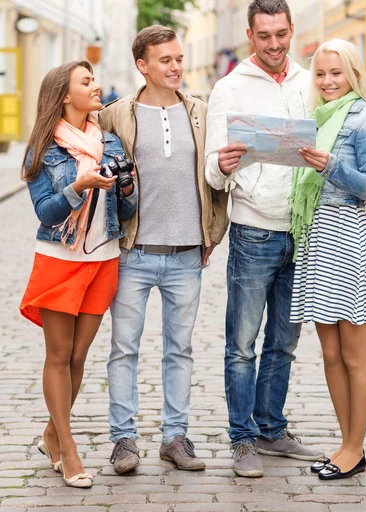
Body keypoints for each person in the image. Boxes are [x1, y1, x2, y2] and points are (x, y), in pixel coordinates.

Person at [98, 25, 228, 475]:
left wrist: (212, 231)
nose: (176, 67)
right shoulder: (115, 115)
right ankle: (123, 440)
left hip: (187, 254)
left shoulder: (201, 113)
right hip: (133, 253)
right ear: (143, 65)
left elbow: (216, 175)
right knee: (123, 349)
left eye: (178, 58)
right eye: (166, 60)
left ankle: (175, 436)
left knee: (180, 349)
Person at [205, 0, 324, 478]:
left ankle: (272, 428)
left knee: (285, 341)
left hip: (303, 228)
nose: (274, 44)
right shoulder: (229, 89)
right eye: (264, 35)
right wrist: (224, 165)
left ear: (291, 30)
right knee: (242, 343)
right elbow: (212, 171)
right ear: (249, 36)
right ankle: (242, 438)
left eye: (281, 34)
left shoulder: (308, 82)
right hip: (254, 230)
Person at [19, 61, 138, 488]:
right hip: (59, 259)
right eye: (86, 82)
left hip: (102, 259)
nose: (96, 86)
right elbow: (47, 212)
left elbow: (126, 211)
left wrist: (126, 190)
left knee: (78, 357)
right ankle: (68, 451)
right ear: (65, 96)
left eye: (94, 80)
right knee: (58, 355)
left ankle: (52, 434)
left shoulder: (109, 142)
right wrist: (80, 185)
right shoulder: (42, 149)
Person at [290, 39, 366, 480]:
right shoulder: (315, 119)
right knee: (330, 351)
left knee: (354, 353)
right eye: (321, 74)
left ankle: (353, 447)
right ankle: (348, 444)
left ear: (353, 74)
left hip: (349, 239)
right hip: (318, 239)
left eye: (337, 73)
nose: (328, 82)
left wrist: (331, 166)